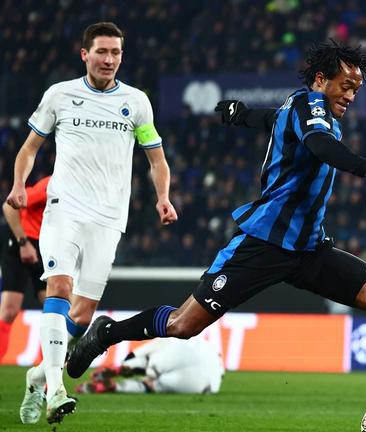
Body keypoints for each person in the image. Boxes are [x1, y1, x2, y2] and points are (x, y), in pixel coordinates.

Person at [68, 40, 366, 432]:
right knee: (183, 325)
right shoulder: (312, 110)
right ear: (320, 79)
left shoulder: (305, 110)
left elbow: (278, 119)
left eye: (356, 89)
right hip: (264, 245)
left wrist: (242, 116)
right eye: (345, 85)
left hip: (310, 249)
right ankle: (107, 332)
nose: (350, 95)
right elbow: (317, 145)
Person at [5, 22, 177, 425]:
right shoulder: (60, 95)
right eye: (102, 51)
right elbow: (30, 149)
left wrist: (163, 198)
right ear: (84, 54)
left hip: (110, 218)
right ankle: (55, 391)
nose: (109, 59)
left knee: (81, 318)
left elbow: (157, 159)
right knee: (59, 287)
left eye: (116, 53)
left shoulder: (136, 103)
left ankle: (36, 378)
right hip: (65, 208)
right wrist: (18, 184)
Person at [0, 176, 50, 361]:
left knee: (53, 308)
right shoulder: (49, 185)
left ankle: (49, 370)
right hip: (22, 241)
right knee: (9, 310)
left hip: (46, 247)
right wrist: (23, 243)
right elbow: (8, 206)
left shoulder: (86, 193)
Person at [76, 338, 224, 395]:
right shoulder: (214, 368)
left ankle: (126, 368)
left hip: (179, 355)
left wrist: (131, 358)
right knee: (153, 384)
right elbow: (213, 388)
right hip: (199, 384)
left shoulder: (202, 345)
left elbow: (165, 343)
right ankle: (115, 386)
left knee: (152, 362)